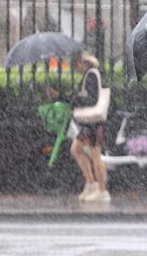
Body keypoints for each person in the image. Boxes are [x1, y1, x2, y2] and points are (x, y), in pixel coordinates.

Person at [48, 52, 111, 202]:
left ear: (82, 62)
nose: (75, 68)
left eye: (75, 65)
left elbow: (90, 99)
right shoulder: (89, 75)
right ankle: (90, 184)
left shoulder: (92, 75)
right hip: (87, 123)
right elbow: (83, 96)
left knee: (96, 155)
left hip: (93, 122)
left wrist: (74, 99)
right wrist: (59, 96)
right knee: (75, 150)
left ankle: (102, 191)